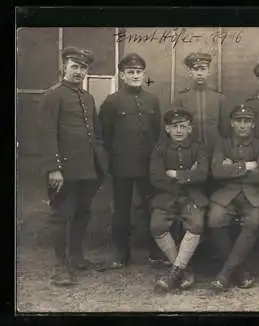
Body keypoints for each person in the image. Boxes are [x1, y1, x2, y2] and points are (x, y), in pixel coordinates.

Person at [39, 46, 108, 286]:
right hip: (64, 171)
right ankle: (61, 266)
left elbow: (95, 134)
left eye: (83, 68)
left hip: (87, 170)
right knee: (61, 216)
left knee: (81, 214)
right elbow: (47, 134)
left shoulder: (87, 98)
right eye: (74, 66)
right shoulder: (53, 95)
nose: (79, 72)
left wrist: (100, 164)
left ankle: (77, 258)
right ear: (64, 68)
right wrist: (54, 168)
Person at [99, 53, 166, 269]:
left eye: (138, 72)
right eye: (131, 72)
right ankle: (122, 252)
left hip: (148, 164)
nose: (135, 75)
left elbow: (158, 133)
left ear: (143, 74)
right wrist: (113, 160)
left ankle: (155, 250)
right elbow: (105, 135)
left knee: (151, 207)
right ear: (122, 75)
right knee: (122, 209)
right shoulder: (112, 101)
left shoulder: (152, 100)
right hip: (123, 164)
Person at [207, 105, 259, 292]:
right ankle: (240, 272)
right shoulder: (223, 144)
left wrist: (233, 167)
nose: (242, 125)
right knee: (215, 219)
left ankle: (225, 273)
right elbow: (217, 172)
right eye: (239, 121)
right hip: (227, 193)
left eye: (247, 121)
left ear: (253, 124)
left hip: (254, 195)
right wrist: (248, 166)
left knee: (253, 222)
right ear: (232, 123)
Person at [149, 108, 209, 292]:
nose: (179, 131)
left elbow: (203, 174)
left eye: (183, 126)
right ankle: (183, 269)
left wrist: (175, 174)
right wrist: (188, 175)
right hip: (167, 196)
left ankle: (173, 273)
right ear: (167, 129)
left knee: (196, 224)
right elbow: (156, 178)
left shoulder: (199, 148)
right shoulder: (160, 150)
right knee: (157, 226)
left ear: (190, 129)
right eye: (174, 127)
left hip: (193, 196)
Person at [172, 52, 229, 156]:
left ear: (208, 71)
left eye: (203, 69)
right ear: (190, 71)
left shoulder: (219, 98)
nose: (199, 73)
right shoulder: (181, 98)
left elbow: (225, 130)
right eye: (196, 69)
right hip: (190, 151)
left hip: (215, 150)